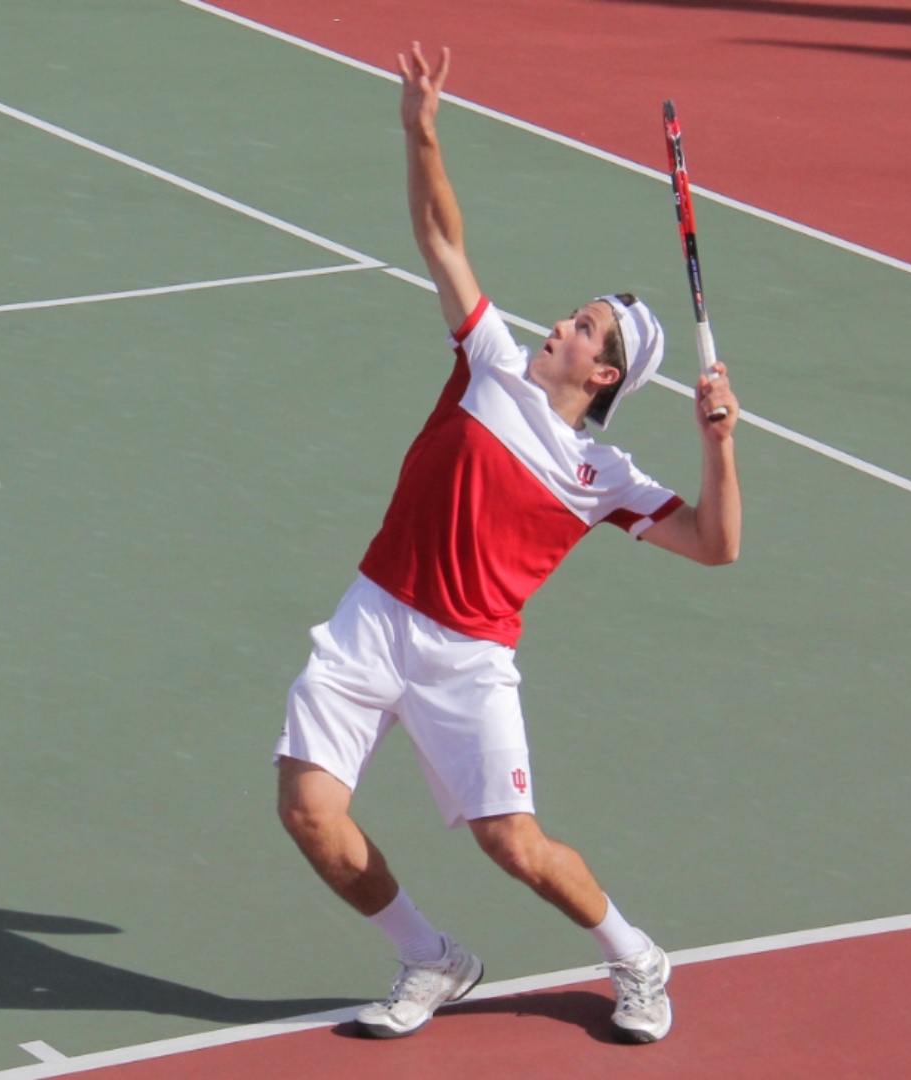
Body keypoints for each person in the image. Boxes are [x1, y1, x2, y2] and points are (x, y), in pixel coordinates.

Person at [274, 42, 741, 1045]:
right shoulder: (489, 366)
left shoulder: (602, 476)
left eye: (584, 328)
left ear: (605, 375)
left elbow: (714, 545)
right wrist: (421, 131)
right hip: (374, 614)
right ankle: (431, 957)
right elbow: (442, 238)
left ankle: (636, 957)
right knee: (308, 809)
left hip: (467, 657)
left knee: (515, 846)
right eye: (575, 315)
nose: (562, 325)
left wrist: (718, 444)